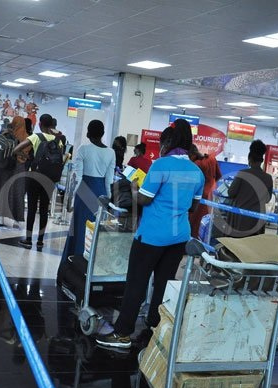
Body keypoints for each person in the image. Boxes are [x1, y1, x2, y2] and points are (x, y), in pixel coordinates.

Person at [96, 120, 204, 349]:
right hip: (179, 237)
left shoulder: (161, 165)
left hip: (153, 235)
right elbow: (193, 207)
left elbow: (145, 199)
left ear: (167, 143)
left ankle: (123, 333)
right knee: (163, 284)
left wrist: (134, 189)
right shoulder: (197, 172)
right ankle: (155, 327)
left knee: (136, 282)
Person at [60, 120, 115, 264]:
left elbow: (77, 178)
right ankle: (89, 266)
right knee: (94, 231)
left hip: (84, 191)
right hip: (101, 194)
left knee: (79, 229)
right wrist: (109, 202)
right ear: (102, 133)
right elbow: (109, 180)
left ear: (88, 132)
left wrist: (70, 200)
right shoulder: (111, 152)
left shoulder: (83, 149)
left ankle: (73, 263)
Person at [12, 113, 64, 250]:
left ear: (40, 124)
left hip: (35, 176)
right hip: (50, 178)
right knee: (44, 209)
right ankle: (40, 240)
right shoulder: (58, 140)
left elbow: (16, 150)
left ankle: (28, 239)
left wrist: (28, 158)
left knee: (32, 208)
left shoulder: (36, 137)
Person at [0, 116, 30, 227]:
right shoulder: (26, 137)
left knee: (1, 190)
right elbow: (27, 155)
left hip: (2, 167)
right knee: (16, 193)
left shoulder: (5, 133)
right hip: (18, 168)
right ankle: (17, 220)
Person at [225, 140, 273, 237]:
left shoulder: (243, 174)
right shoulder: (268, 178)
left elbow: (231, 193)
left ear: (249, 159)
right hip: (258, 218)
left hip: (240, 218)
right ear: (262, 161)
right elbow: (268, 199)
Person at [188, 144, 222, 239]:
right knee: (207, 222)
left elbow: (192, 183)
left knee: (195, 222)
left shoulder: (196, 164)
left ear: (191, 155)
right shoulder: (212, 158)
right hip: (212, 194)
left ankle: (192, 244)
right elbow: (219, 175)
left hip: (200, 195)